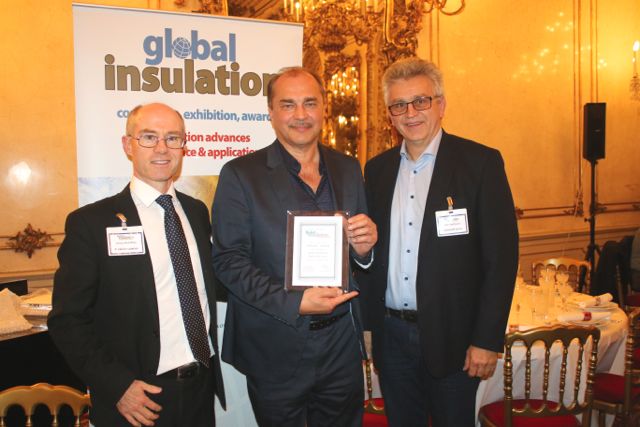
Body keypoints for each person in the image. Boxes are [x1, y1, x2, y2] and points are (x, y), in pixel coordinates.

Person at [211, 66, 378, 427]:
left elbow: (358, 254)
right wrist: (294, 302)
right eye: (288, 105)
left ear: (324, 108)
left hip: (341, 344)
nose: (301, 115)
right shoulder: (241, 174)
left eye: (310, 103)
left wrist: (364, 249)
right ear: (270, 112)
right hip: (275, 345)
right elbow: (228, 261)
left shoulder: (349, 168)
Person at [359, 58, 518, 427]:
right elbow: (370, 254)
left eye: (421, 101)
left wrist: (487, 339)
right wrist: (368, 326)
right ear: (390, 115)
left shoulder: (480, 163)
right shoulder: (377, 170)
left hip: (455, 338)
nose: (410, 113)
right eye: (399, 105)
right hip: (391, 336)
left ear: (441, 105)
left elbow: (501, 259)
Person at [48, 103, 225, 427]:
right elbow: (67, 319)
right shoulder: (92, 223)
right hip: (137, 397)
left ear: (184, 146)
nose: (162, 148)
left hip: (200, 388)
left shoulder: (197, 212)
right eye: (149, 137)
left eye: (172, 138)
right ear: (128, 145)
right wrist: (117, 386)